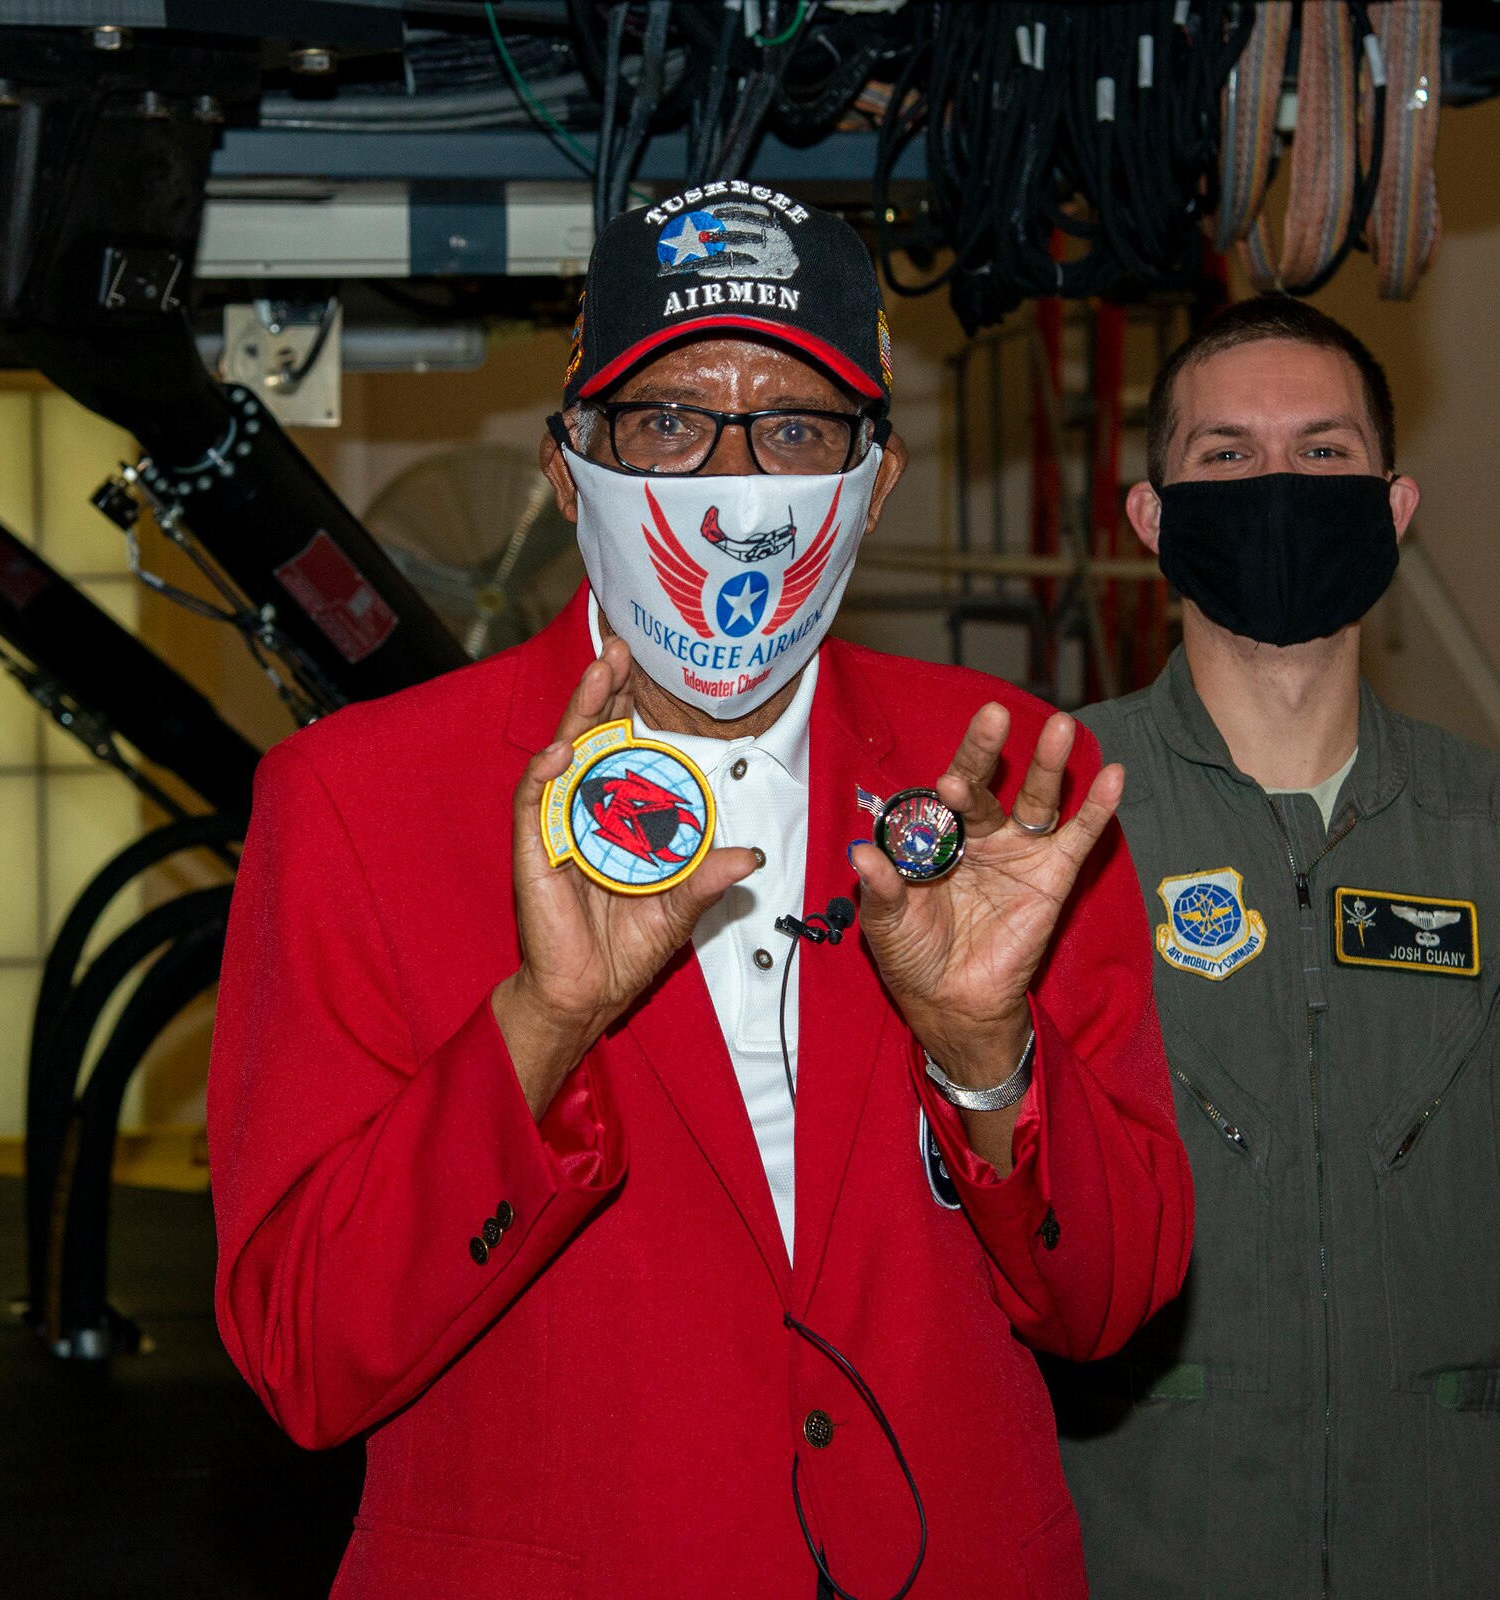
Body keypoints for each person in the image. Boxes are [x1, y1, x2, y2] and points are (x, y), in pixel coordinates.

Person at [208, 189, 1192, 1600]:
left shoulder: (1001, 788)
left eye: (797, 427)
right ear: (568, 466)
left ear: (880, 474)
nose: (735, 480)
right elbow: (303, 1353)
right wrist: (543, 1028)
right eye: (667, 419)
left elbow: (1111, 1302)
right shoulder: (360, 799)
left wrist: (988, 1060)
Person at [1053, 296, 1500, 1598]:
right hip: (1127, 1551)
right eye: (1227, 455)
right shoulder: (1049, 822)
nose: (1278, 484)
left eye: (1324, 451)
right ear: (1151, 515)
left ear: (1396, 506)